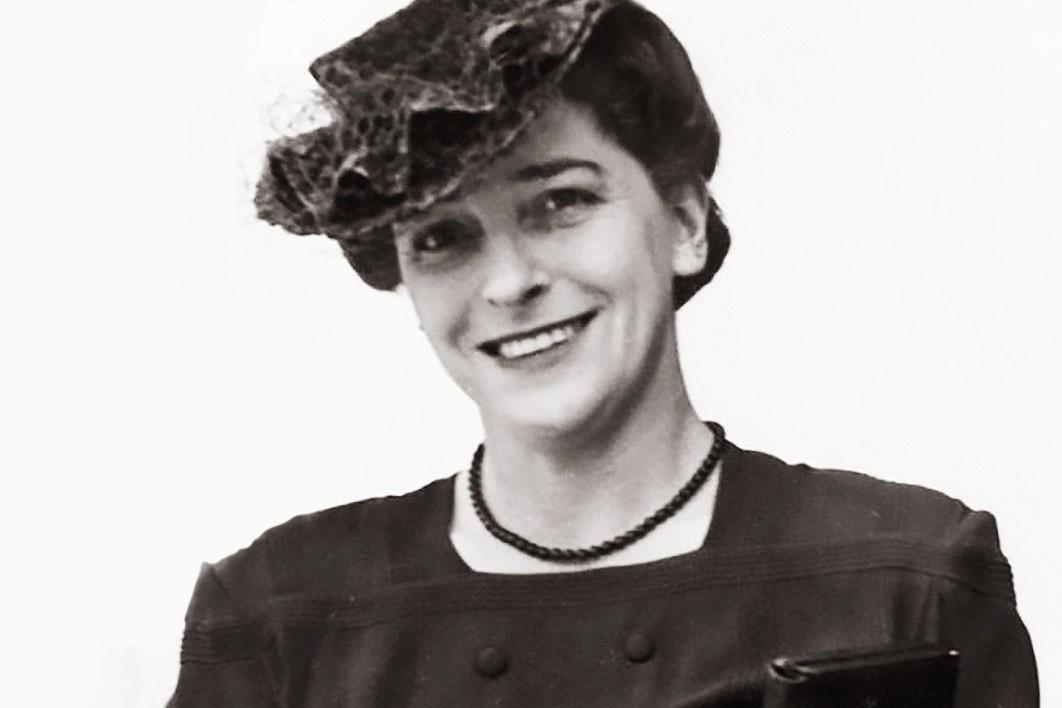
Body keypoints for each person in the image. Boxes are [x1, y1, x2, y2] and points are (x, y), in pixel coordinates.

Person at [168, 0, 1038, 705]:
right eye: (443, 238)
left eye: (561, 203)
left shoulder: (906, 580)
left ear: (684, 223)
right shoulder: (275, 621)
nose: (510, 281)